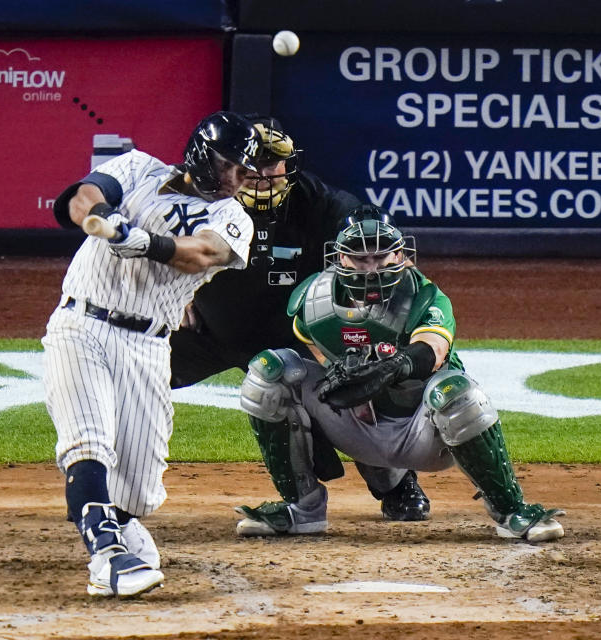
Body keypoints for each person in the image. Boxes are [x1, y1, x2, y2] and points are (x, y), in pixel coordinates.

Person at [233, 205, 565, 542]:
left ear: (402, 256)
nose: (371, 268)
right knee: (269, 372)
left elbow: (431, 350)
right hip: (358, 427)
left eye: (381, 257)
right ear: (339, 259)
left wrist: (393, 365)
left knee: (456, 392)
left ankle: (511, 511)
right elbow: (314, 358)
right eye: (360, 258)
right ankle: (300, 510)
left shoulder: (425, 296)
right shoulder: (313, 300)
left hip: (425, 433)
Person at [42, 111, 263, 597]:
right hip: (80, 325)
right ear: (207, 160)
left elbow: (199, 254)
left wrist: (139, 241)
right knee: (89, 443)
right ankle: (106, 555)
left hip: (148, 345)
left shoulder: (233, 218)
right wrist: (106, 219)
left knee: (138, 488)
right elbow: (84, 197)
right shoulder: (139, 167)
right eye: (236, 168)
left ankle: (113, 523)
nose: (243, 181)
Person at [168, 116, 432, 522]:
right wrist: (173, 290)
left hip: (293, 338)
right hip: (210, 330)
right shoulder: (202, 198)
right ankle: (112, 479)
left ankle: (392, 481)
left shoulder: (322, 205)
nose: (264, 172)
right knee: (133, 368)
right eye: (254, 162)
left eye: (275, 163)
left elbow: (371, 233)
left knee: (351, 392)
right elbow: (153, 237)